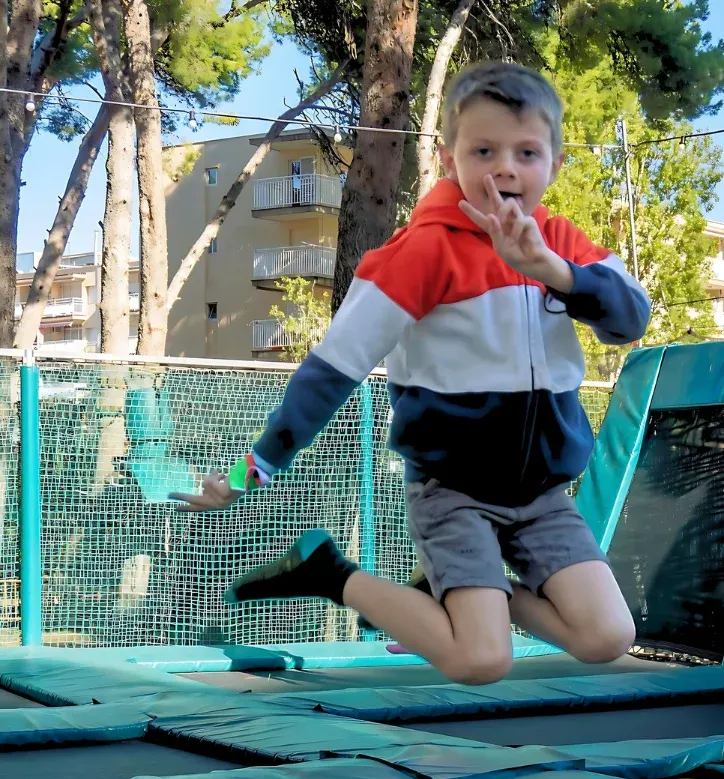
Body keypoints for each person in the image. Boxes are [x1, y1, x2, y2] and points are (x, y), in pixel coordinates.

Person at [170, 61, 651, 685]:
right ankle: (328, 572)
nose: (505, 167)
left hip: (539, 496)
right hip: (453, 491)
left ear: (553, 165)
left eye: (526, 152)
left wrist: (556, 272)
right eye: (484, 150)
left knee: (608, 636)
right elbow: (328, 373)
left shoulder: (560, 241)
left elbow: (630, 318)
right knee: (481, 660)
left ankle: (451, 590)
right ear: (451, 161)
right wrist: (248, 471)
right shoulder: (421, 252)